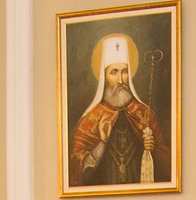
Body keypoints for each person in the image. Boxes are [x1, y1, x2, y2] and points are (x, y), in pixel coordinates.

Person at [67, 32, 171, 187]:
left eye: (124, 71)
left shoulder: (143, 113)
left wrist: (152, 148)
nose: (120, 80)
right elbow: (78, 170)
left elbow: (168, 170)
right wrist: (102, 142)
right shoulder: (92, 118)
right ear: (104, 76)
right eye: (113, 72)